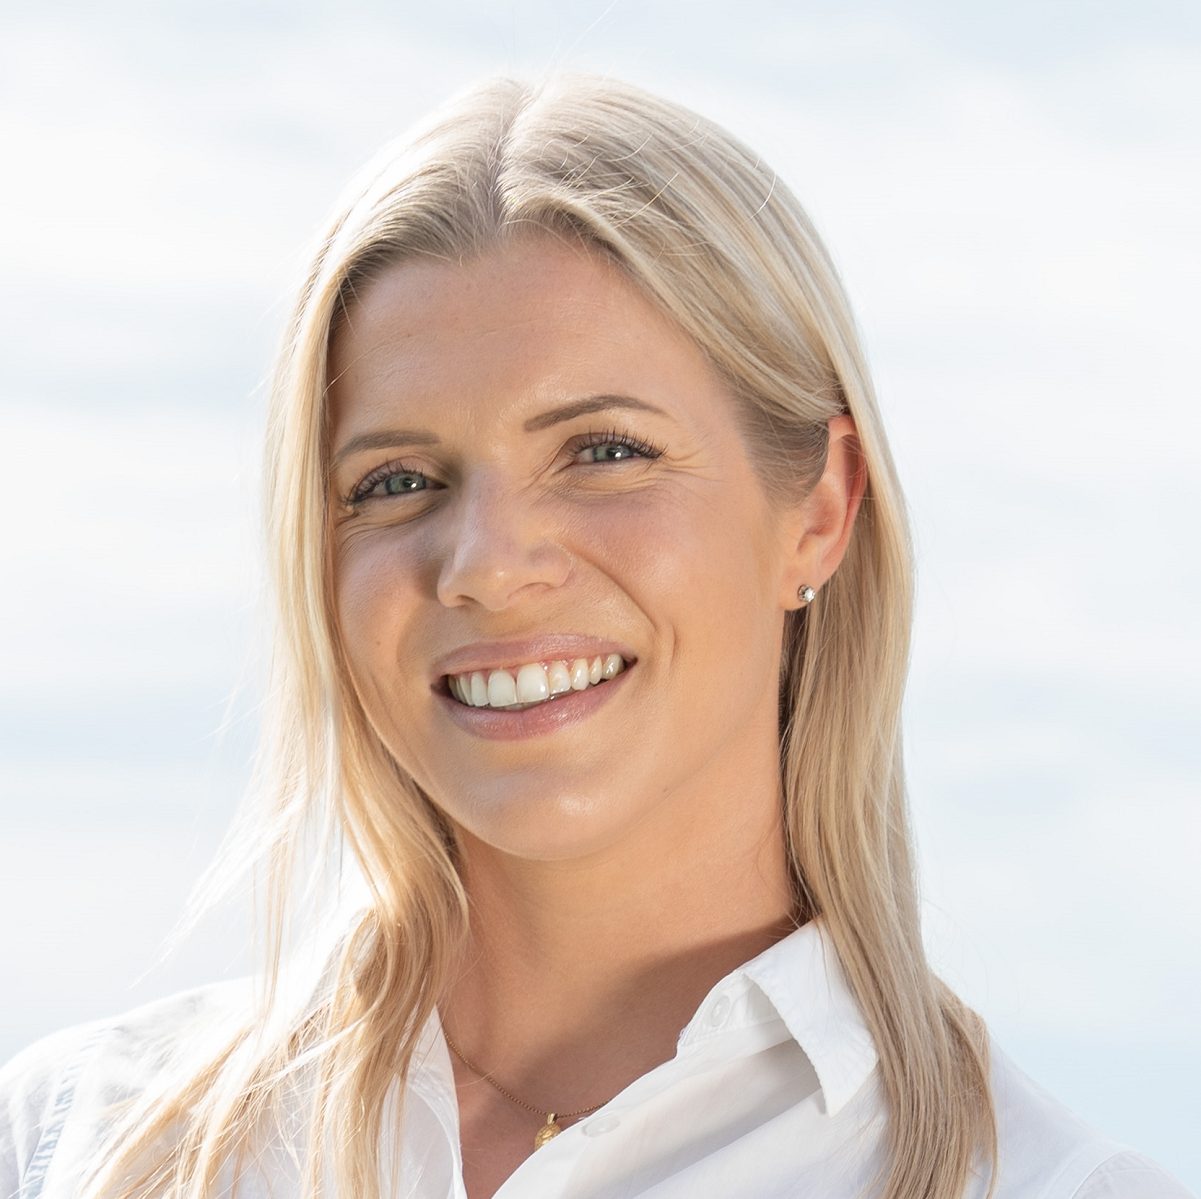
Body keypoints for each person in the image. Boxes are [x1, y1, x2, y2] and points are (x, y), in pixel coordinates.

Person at [0, 73, 1191, 1199]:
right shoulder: (74, 1141)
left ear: (818, 511)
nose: (484, 566)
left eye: (605, 451)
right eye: (398, 479)